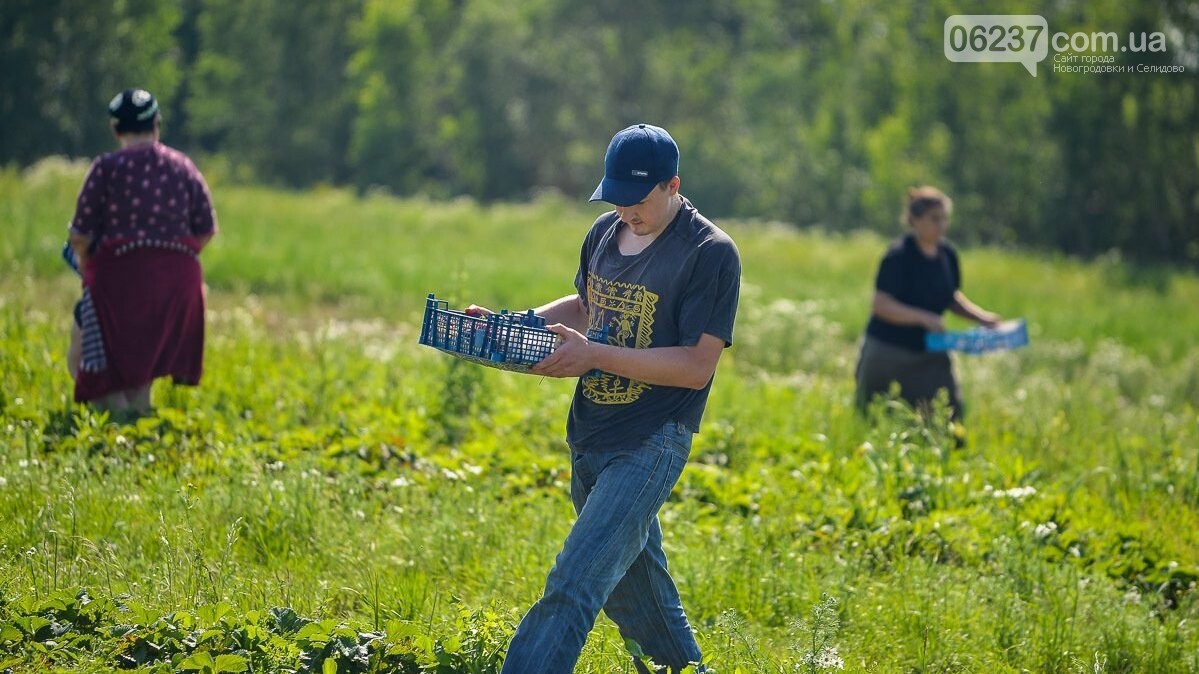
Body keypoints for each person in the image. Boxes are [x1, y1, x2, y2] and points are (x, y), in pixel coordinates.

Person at [473, 124, 740, 673]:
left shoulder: (709, 253)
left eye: (638, 201)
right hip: (591, 431)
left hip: (651, 441)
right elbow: (588, 306)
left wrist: (593, 355)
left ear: (673, 185)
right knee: (635, 594)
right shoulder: (603, 233)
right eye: (615, 199)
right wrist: (511, 325)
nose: (626, 212)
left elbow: (696, 367)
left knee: (573, 586)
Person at [66, 88, 218, 418]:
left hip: (118, 280)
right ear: (156, 125)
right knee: (144, 361)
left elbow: (79, 234)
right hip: (178, 282)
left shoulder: (106, 168)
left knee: (88, 350)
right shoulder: (183, 167)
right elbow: (205, 228)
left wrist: (86, 262)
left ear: (116, 129)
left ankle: (118, 420)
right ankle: (138, 419)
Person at [854, 186, 999, 420]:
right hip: (888, 352)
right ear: (915, 220)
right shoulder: (898, 256)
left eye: (944, 219)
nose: (942, 226)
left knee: (947, 418)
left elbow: (950, 296)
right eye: (934, 219)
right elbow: (880, 305)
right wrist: (923, 317)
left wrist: (981, 317)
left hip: (931, 352)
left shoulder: (947, 255)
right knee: (874, 417)